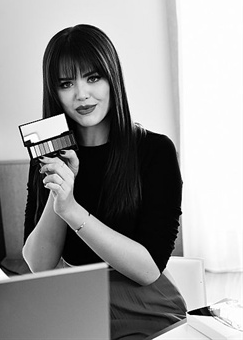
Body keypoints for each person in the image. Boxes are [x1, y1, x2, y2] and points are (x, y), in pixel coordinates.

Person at [22, 24, 186, 339]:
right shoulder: (48, 155)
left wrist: (71, 209)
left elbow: (148, 269)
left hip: (145, 309)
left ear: (113, 78)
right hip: (77, 306)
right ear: (53, 92)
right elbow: (39, 264)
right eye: (66, 83)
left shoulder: (155, 151)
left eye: (93, 77)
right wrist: (59, 194)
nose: (81, 94)